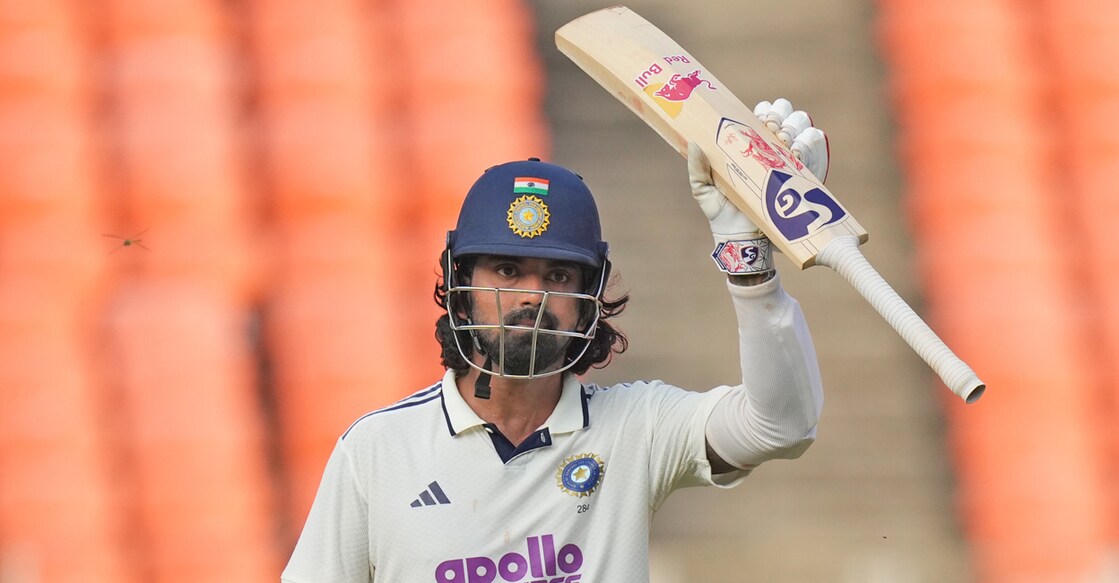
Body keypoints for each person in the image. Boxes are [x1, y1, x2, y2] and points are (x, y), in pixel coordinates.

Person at [281, 99, 828, 583]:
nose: (533, 297)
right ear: (462, 286)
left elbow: (780, 425)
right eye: (507, 269)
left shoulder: (636, 429)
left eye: (559, 276)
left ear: (590, 294)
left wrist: (749, 264)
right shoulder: (378, 451)